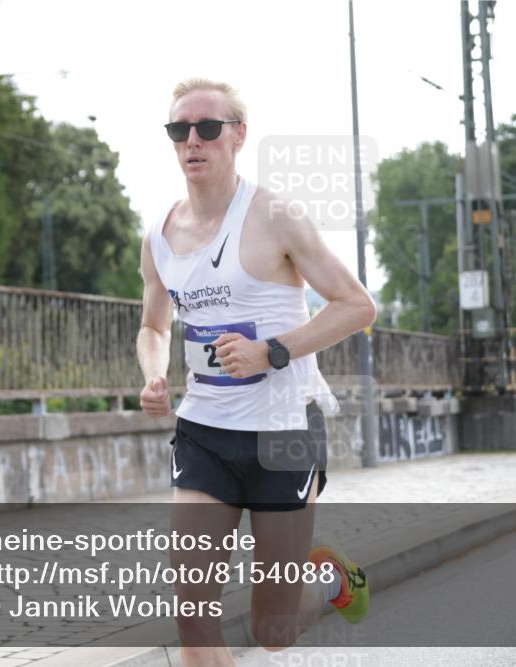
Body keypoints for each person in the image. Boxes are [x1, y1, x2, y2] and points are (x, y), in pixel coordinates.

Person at [137, 78, 376, 666]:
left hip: (284, 430)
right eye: (179, 129)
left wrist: (272, 350)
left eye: (208, 128)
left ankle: (327, 579)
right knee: (192, 616)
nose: (193, 140)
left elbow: (357, 306)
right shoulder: (159, 235)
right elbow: (153, 325)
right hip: (204, 431)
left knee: (272, 629)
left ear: (238, 135)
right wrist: (151, 373)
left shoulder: (275, 216)